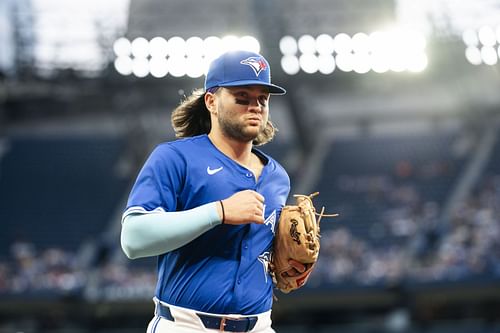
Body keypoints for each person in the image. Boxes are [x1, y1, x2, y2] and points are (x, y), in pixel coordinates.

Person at [120, 50, 302, 333]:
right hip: (186, 326)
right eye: (242, 98)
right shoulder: (175, 158)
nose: (255, 106)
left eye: (262, 100)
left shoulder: (278, 176)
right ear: (211, 102)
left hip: (260, 326)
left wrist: (287, 264)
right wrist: (218, 211)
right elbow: (133, 238)